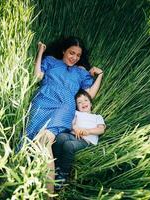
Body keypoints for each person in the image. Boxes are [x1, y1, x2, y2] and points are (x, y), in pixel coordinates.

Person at [26, 36, 104, 194]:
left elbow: (90, 94)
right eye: (71, 53)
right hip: (43, 101)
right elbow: (37, 76)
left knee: (44, 140)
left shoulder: (80, 72)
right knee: (30, 141)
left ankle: (48, 195)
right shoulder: (51, 61)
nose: (74, 58)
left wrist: (100, 75)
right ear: (63, 51)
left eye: (78, 55)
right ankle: (30, 185)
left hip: (65, 105)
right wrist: (41, 52)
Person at [52, 89, 106, 190]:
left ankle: (63, 173)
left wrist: (88, 131)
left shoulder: (97, 117)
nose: (83, 103)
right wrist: (75, 127)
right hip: (73, 135)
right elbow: (71, 122)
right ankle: (56, 164)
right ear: (77, 106)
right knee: (60, 137)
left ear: (91, 103)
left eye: (85, 100)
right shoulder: (77, 113)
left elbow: (101, 129)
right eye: (79, 102)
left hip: (85, 140)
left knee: (69, 145)